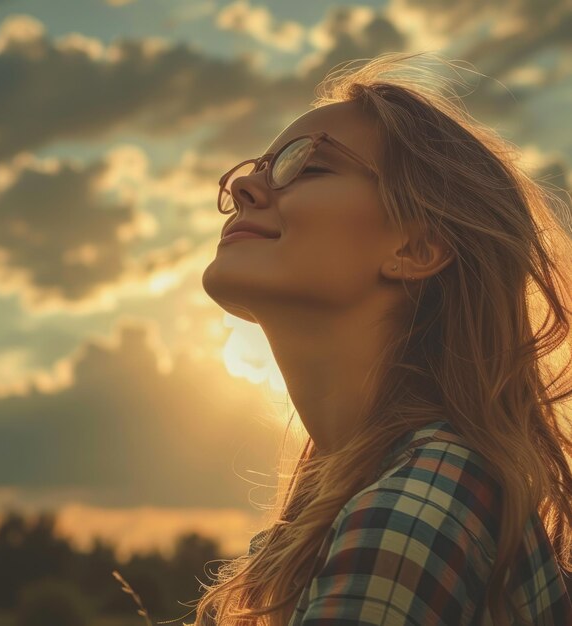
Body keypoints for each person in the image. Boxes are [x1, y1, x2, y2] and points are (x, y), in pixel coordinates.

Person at [193, 52, 572, 625]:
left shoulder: (413, 504)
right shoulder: (378, 494)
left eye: (305, 165)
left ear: (416, 249)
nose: (245, 184)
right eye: (257, 166)